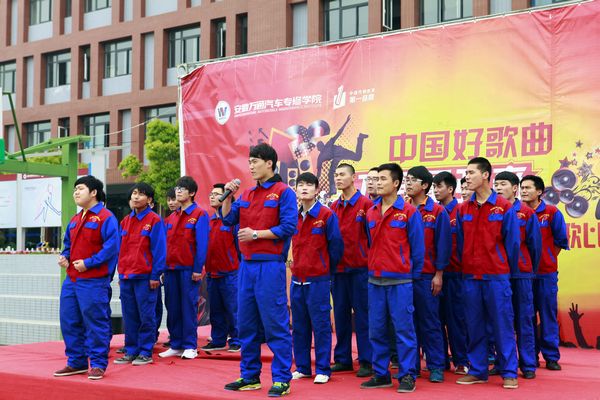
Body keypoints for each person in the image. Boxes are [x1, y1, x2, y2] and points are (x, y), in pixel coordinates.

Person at [221, 143, 297, 397]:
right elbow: (228, 219)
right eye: (250, 161)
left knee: (275, 324)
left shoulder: (283, 192)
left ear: (269, 163)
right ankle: (250, 375)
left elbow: (288, 227)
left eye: (255, 161)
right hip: (247, 266)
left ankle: (282, 379)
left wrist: (256, 234)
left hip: (270, 265)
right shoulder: (248, 194)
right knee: (246, 324)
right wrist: (228, 196)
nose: (251, 166)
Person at [455, 157, 521, 389]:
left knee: (502, 325)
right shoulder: (463, 209)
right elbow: (460, 242)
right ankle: (477, 370)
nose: (467, 177)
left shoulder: (504, 207)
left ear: (485, 175)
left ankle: (509, 371)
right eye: (466, 173)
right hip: (471, 277)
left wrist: (501, 267)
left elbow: (513, 244)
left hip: (497, 277)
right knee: (474, 325)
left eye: (471, 173)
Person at [361, 163, 423, 393]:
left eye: (383, 179)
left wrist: (409, 275)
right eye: (376, 179)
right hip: (375, 281)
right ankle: (381, 374)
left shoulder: (408, 212)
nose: (377, 183)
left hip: (401, 282)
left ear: (396, 183)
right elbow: (370, 244)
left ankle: (407, 375)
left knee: (404, 331)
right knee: (376, 330)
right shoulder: (371, 212)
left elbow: (418, 249)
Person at [54, 176, 119, 381]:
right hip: (72, 280)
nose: (76, 192)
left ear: (93, 192)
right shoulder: (75, 219)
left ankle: (98, 364)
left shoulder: (106, 217)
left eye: (80, 188)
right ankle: (76, 362)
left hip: (94, 280)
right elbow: (67, 244)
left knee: (95, 321)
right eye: (75, 189)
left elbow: (111, 248)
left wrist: (89, 263)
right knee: (69, 320)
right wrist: (65, 257)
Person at [290, 172, 344, 384]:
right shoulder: (293, 216)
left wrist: (325, 269)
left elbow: (336, 247)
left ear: (317, 190)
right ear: (296, 189)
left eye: (309, 185)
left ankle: (323, 368)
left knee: (321, 325)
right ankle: (303, 367)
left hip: (318, 280)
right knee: (299, 326)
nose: (304, 188)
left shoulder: (326, 215)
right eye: (300, 185)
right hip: (297, 280)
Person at [492, 171, 541, 379]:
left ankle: (528, 364)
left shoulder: (526, 213)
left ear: (514, 188)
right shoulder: (492, 211)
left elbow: (535, 246)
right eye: (496, 184)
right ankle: (503, 362)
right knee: (500, 321)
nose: (498, 188)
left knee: (524, 320)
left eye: (503, 184)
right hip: (497, 273)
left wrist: (528, 269)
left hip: (520, 274)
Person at [405, 166, 451, 383]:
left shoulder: (437, 212)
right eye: (406, 179)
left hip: (427, 275)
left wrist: (438, 274)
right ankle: (411, 367)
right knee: (408, 324)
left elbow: (443, 245)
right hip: (404, 276)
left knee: (430, 322)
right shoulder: (402, 209)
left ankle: (436, 366)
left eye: (413, 180)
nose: (408, 183)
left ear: (424, 185)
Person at [114, 183, 166, 366]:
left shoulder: (154, 220)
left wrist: (155, 275)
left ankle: (145, 351)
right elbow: (121, 250)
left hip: (145, 277)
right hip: (127, 277)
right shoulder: (125, 221)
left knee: (146, 316)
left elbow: (159, 250)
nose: (136, 197)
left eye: (141, 194)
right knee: (129, 316)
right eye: (134, 193)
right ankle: (131, 350)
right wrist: (121, 274)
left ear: (149, 200)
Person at [521, 175, 569, 371]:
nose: (524, 191)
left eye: (528, 188)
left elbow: (560, 241)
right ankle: (530, 356)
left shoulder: (551, 212)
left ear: (539, 192)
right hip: (524, 274)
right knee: (527, 315)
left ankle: (551, 356)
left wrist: (546, 259)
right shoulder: (517, 213)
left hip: (546, 274)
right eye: (522, 188)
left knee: (547, 314)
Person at [330, 163, 373, 377]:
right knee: (340, 315)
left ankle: (367, 360)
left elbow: (372, 239)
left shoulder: (366, 205)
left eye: (342, 175)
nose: (338, 178)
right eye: (336, 175)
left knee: (363, 316)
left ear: (354, 177)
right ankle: (343, 358)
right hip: (338, 270)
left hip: (361, 270)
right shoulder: (333, 206)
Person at [159, 176, 209, 360]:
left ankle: (190, 345)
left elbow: (202, 244)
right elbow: (164, 245)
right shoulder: (171, 218)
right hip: (170, 269)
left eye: (182, 188)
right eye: (177, 188)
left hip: (188, 269)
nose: (178, 191)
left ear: (192, 193)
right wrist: (162, 269)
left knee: (188, 307)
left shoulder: (199, 214)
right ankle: (176, 344)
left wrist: (197, 269)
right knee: (172, 307)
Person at [432, 171, 469, 375]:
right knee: (435, 320)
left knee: (456, 320)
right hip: (435, 274)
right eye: (434, 187)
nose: (436, 190)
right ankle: (440, 360)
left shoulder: (460, 211)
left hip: (456, 274)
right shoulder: (433, 212)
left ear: (451, 189)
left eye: (440, 187)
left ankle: (461, 360)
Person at [201, 183, 241, 353]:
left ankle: (237, 340)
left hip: (231, 273)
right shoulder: (209, 221)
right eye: (211, 193)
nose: (212, 196)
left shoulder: (233, 221)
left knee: (233, 309)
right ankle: (218, 339)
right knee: (215, 310)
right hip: (212, 273)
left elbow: (240, 248)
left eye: (217, 194)